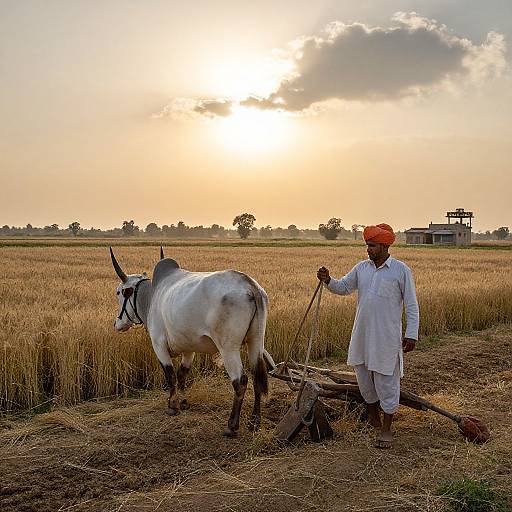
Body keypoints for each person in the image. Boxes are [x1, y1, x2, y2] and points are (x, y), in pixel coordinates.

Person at [317, 223, 419, 448]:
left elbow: (411, 305)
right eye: (367, 245)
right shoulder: (361, 268)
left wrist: (411, 334)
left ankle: (386, 428)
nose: (368, 250)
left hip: (386, 338)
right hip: (362, 335)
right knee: (364, 379)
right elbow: (343, 287)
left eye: (372, 245)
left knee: (386, 382)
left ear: (384, 246)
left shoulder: (401, 270)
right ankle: (373, 418)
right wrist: (327, 280)